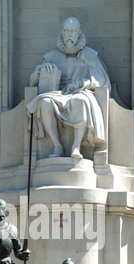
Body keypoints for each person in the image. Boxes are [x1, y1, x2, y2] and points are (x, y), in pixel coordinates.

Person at [27, 16, 111, 159]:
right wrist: (39, 70)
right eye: (66, 31)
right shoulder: (52, 56)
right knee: (44, 102)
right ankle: (57, 146)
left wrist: (83, 83)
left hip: (78, 93)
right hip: (57, 94)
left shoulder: (88, 55)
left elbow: (102, 80)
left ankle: (76, 147)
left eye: (73, 31)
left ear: (79, 34)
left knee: (81, 101)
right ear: (62, 33)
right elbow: (32, 82)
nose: (69, 35)